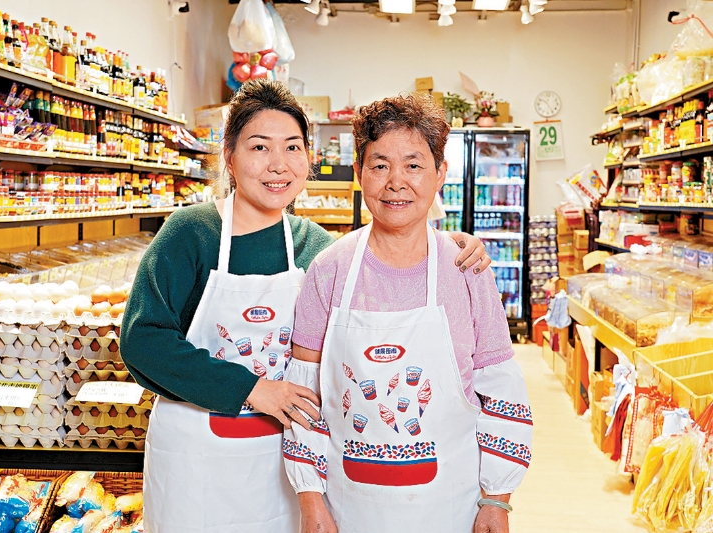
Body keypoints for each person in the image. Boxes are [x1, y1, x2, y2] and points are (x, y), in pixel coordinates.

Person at [120, 79, 491, 533]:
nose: (278, 165)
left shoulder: (315, 246)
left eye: (293, 147)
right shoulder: (192, 232)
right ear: (230, 156)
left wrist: (448, 245)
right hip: (198, 463)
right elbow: (143, 340)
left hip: (285, 466)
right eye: (260, 147)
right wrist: (253, 389)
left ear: (308, 159)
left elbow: (385, 278)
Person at [284, 93, 533, 533]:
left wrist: (497, 498)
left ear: (440, 174)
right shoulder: (330, 268)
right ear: (359, 174)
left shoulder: (467, 269)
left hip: (449, 504)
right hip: (349, 504)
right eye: (380, 165)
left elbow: (501, 388)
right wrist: (310, 499)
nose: (396, 182)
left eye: (414, 165)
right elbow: (304, 396)